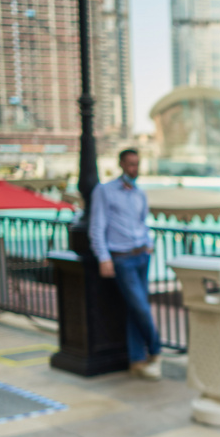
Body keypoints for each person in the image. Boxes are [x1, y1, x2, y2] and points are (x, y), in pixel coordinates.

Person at [88, 148, 162, 380]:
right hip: (121, 258)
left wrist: (148, 243)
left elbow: (143, 223)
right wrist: (103, 257)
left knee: (134, 308)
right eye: (130, 164)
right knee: (140, 307)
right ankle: (157, 351)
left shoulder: (140, 193)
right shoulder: (104, 191)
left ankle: (137, 359)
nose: (134, 168)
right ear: (121, 164)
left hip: (142, 256)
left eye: (137, 164)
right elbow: (97, 227)